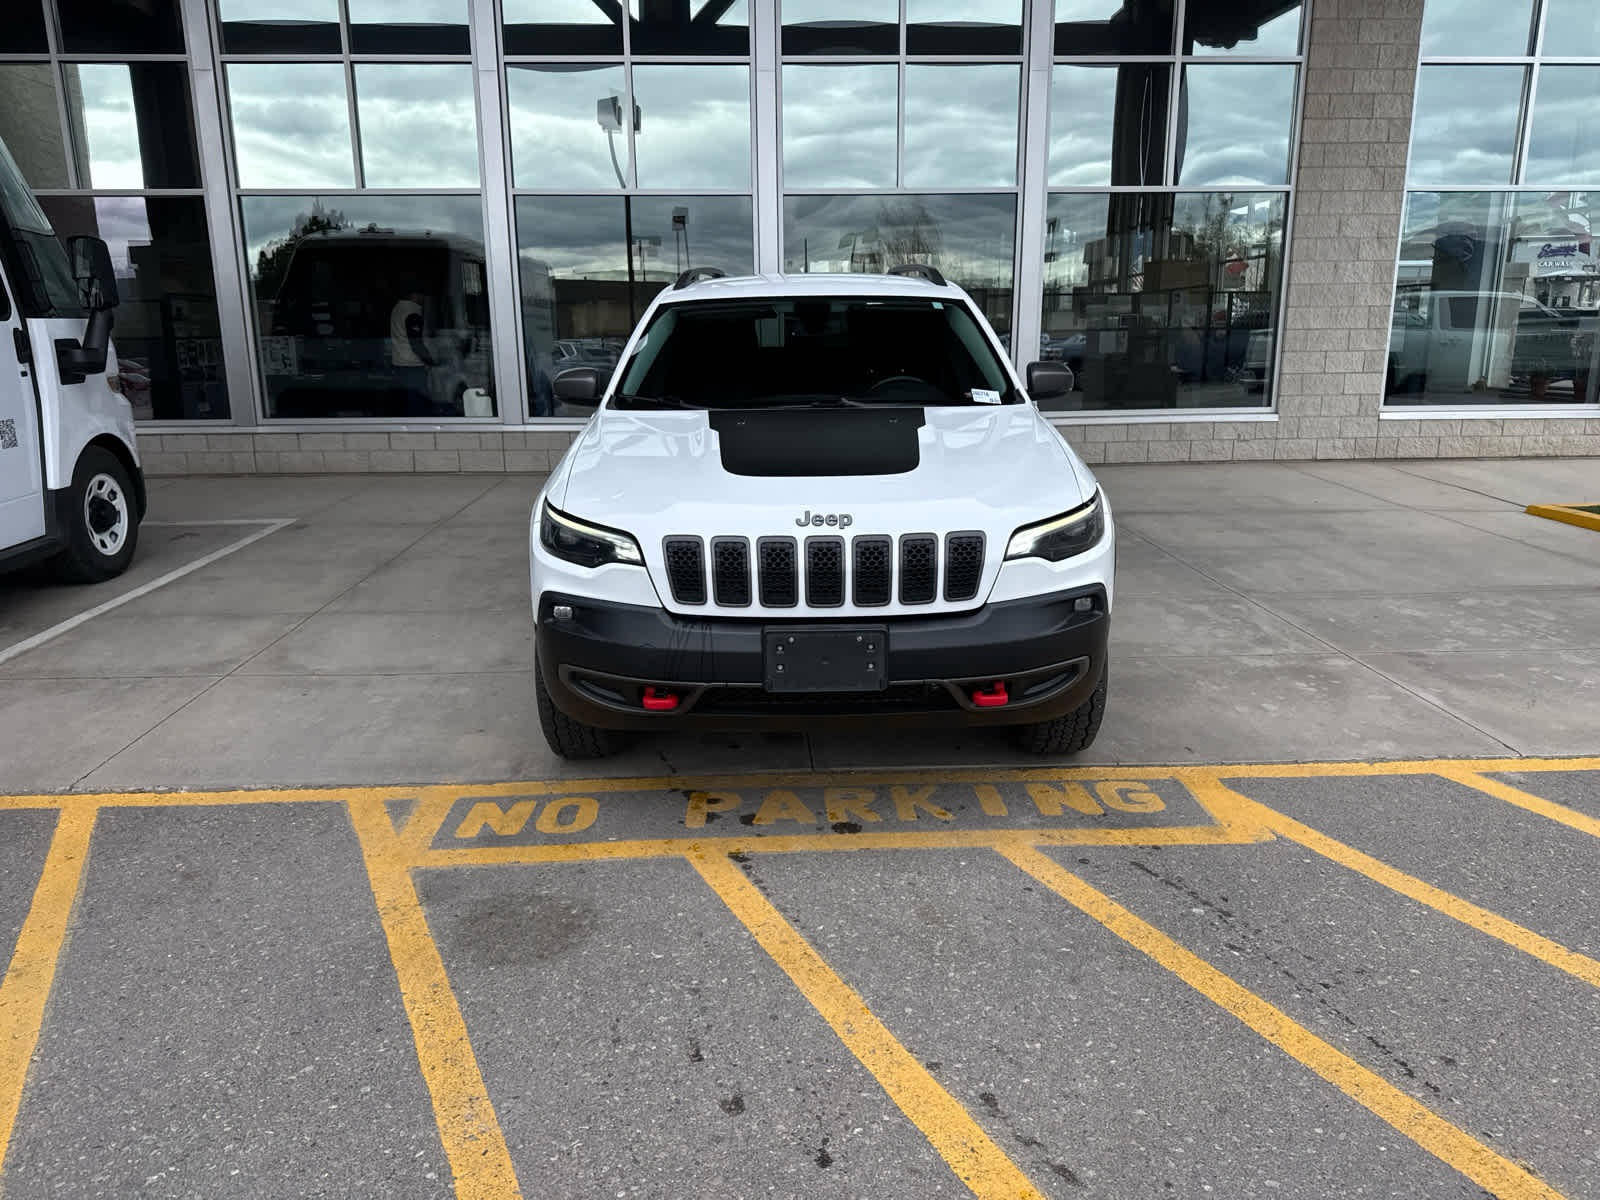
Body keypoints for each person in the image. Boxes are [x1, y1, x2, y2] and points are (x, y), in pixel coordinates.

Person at [389, 289, 435, 416]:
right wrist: (430, 361)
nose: (424, 299)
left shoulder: (397, 308)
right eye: (422, 296)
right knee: (417, 405)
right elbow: (416, 343)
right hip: (412, 367)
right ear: (415, 295)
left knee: (405, 404)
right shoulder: (412, 312)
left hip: (399, 363)